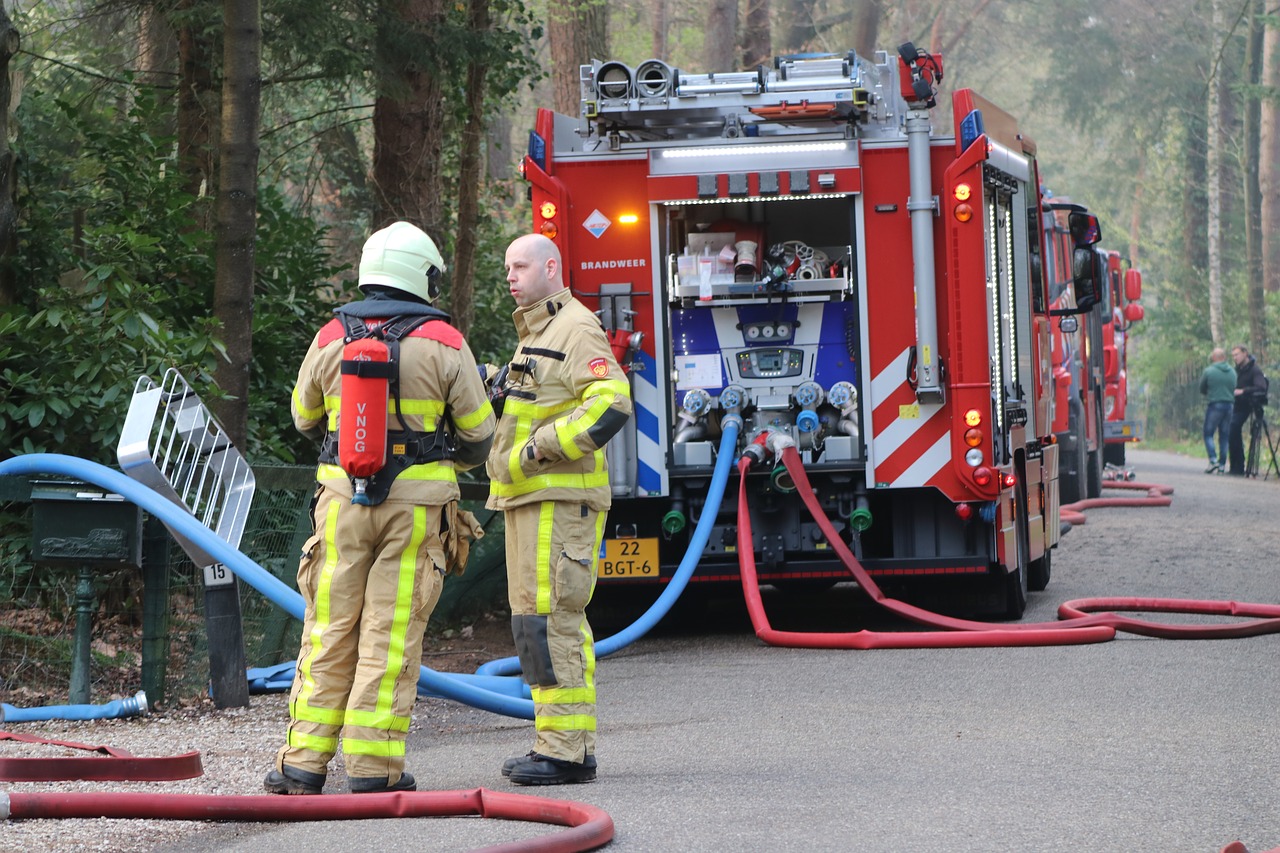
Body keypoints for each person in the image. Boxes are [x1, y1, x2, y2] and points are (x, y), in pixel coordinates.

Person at [266, 221, 495, 795]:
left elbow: (301, 417)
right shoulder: (445, 342)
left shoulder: (329, 337)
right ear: (423, 276)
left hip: (341, 505)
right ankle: (372, 770)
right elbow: (479, 433)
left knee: (327, 630)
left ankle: (301, 765)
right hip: (416, 512)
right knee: (389, 636)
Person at [485, 233, 633, 785]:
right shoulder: (536, 333)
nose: (510, 275)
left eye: (520, 265)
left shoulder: (574, 327)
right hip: (531, 500)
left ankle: (564, 753)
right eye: (506, 267)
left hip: (557, 501)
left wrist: (539, 448)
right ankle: (566, 746)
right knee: (538, 625)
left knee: (551, 625)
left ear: (552, 267)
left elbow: (610, 404)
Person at [1226, 344, 1268, 476]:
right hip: (1237, 404)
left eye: (1237, 354)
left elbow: (1261, 387)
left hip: (1248, 404)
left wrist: (1243, 391)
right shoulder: (1237, 370)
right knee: (1232, 430)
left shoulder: (1255, 370)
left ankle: (1239, 467)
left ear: (1245, 353)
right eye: (1233, 356)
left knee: (1233, 427)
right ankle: (1235, 466)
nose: (1235, 358)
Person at [1199, 347, 1236, 473]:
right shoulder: (1232, 371)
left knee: (1208, 433)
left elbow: (1202, 388)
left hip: (1215, 405)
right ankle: (1222, 465)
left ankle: (1213, 459)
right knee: (1224, 435)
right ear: (1224, 357)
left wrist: (1210, 393)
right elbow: (1234, 387)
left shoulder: (1209, 371)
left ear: (1214, 358)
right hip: (1230, 405)